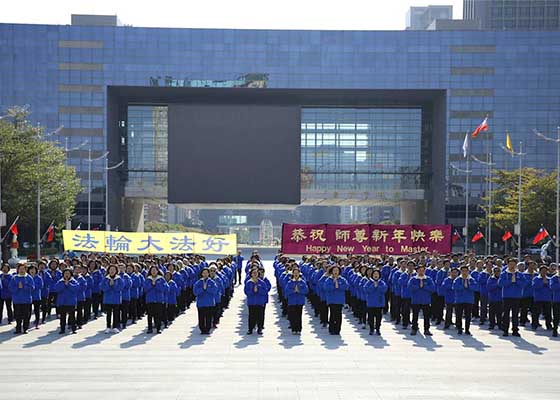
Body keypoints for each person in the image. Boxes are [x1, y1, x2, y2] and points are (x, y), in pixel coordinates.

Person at [498, 258, 528, 337]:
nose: (512, 266)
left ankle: (515, 330)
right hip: (506, 296)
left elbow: (524, 284)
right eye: (510, 264)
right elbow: (500, 283)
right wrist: (510, 281)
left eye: (514, 264)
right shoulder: (504, 274)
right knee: (506, 314)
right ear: (508, 265)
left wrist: (516, 281)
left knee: (515, 314)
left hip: (516, 297)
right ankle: (505, 330)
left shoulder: (520, 274)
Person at [408, 264, 436, 336]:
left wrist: (424, 286)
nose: (421, 272)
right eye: (420, 270)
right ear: (417, 271)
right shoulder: (413, 279)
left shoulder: (428, 279)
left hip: (425, 300)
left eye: (423, 270)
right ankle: (414, 329)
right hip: (416, 300)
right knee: (415, 316)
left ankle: (426, 329)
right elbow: (410, 288)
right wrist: (418, 286)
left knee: (426, 316)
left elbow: (433, 288)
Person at [8, 262, 34, 334]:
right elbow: (10, 288)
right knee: (17, 315)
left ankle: (25, 328)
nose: (21, 270)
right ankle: (18, 328)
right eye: (20, 269)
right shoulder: (14, 278)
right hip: (17, 300)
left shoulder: (29, 278)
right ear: (18, 269)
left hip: (26, 300)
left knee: (26, 315)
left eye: (23, 269)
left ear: (25, 269)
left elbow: (32, 288)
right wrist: (17, 287)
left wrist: (24, 287)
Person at [452, 265, 479, 335]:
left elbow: (476, 288)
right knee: (459, 315)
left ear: (468, 271)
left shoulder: (471, 279)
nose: (464, 272)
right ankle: (459, 328)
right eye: (463, 271)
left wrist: (469, 286)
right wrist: (463, 286)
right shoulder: (457, 279)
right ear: (460, 271)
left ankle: (467, 329)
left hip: (469, 300)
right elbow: (454, 287)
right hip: (459, 300)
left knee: (468, 316)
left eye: (466, 271)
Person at [324, 265, 349, 335]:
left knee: (338, 315)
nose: (335, 272)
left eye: (337, 270)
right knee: (332, 314)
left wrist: (339, 286)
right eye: (334, 270)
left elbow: (346, 287)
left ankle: (337, 329)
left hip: (339, 300)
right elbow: (326, 287)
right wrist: (334, 285)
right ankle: (331, 329)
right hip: (331, 300)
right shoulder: (329, 279)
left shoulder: (342, 279)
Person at [53, 268, 79, 334]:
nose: (67, 275)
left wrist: (68, 284)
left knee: (72, 316)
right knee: (62, 317)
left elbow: (76, 289)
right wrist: (64, 284)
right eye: (65, 273)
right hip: (62, 302)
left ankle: (73, 329)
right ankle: (62, 329)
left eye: (68, 273)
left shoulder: (74, 281)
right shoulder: (60, 281)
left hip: (71, 302)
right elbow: (56, 289)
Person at [100, 265, 124, 334]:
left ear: (116, 271)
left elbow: (120, 288)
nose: (112, 271)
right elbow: (102, 288)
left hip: (116, 299)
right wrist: (109, 285)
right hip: (108, 299)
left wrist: (114, 285)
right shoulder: (105, 278)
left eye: (114, 269)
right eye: (111, 269)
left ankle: (115, 327)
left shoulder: (119, 278)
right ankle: (108, 327)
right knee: (109, 314)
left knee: (116, 313)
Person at [284, 266, 309, 335]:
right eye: (294, 273)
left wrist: (299, 291)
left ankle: (298, 329)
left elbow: (306, 290)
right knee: (292, 316)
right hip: (292, 301)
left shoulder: (302, 282)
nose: (296, 274)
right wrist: (293, 291)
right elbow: (286, 291)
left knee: (298, 315)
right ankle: (293, 328)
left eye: (297, 273)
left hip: (300, 301)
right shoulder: (290, 282)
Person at [193, 267, 217, 335]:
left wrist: (207, 289)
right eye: (204, 273)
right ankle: (202, 329)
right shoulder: (198, 282)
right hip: (201, 303)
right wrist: (202, 289)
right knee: (201, 317)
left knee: (208, 317)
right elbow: (195, 292)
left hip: (209, 303)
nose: (205, 274)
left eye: (207, 273)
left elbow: (215, 290)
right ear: (202, 274)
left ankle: (207, 329)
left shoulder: (212, 282)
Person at [244, 268, 268, 335]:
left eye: (256, 273)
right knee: (251, 316)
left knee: (260, 316)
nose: (255, 274)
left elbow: (265, 291)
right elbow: (246, 292)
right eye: (253, 273)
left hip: (259, 302)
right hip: (251, 302)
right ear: (251, 274)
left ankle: (259, 329)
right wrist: (253, 291)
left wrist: (258, 290)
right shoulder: (249, 282)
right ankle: (250, 329)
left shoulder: (262, 282)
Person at [144, 266, 167, 334]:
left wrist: (156, 284)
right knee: (150, 315)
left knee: (158, 315)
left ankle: (158, 328)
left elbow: (164, 289)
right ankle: (150, 328)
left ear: (157, 271)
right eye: (152, 270)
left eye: (155, 270)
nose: (153, 271)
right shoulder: (148, 279)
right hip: (150, 300)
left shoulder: (161, 279)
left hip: (158, 300)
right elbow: (145, 289)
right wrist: (151, 284)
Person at [364, 269, 387, 335]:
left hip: (379, 303)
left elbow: (384, 289)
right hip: (371, 303)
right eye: (374, 274)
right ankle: (371, 329)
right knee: (371, 317)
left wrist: (378, 286)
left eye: (377, 274)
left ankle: (377, 328)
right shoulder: (369, 282)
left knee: (378, 317)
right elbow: (366, 289)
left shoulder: (382, 282)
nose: (376, 275)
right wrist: (373, 286)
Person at [531, 265, 552, 331]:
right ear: (540, 271)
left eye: (545, 271)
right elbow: (534, 287)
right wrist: (543, 283)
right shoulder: (536, 279)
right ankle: (534, 325)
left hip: (547, 299)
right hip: (538, 299)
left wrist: (547, 283)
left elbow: (552, 288)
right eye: (542, 271)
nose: (544, 272)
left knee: (548, 313)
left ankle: (549, 325)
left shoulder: (549, 279)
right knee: (536, 313)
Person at [486, 266, 503, 330]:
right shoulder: (490, 278)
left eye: (498, 271)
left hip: (501, 298)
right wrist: (497, 284)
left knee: (500, 313)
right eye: (495, 271)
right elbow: (489, 287)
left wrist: (498, 285)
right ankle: (491, 324)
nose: (497, 272)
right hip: (492, 298)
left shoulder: (502, 278)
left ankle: (500, 324)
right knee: (492, 313)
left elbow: (503, 285)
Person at [551, 266, 560, 337]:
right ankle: (555, 329)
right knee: (556, 316)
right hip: (557, 300)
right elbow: (553, 287)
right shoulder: (554, 278)